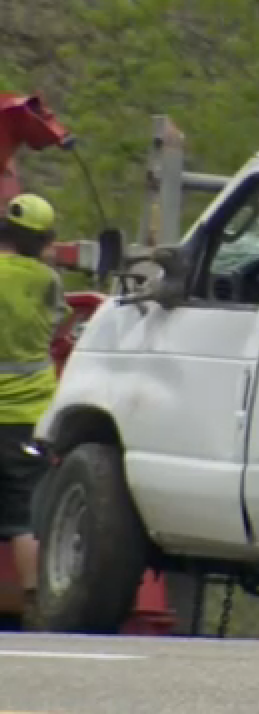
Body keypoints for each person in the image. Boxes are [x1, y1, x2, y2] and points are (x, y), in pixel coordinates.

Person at [0, 193, 67, 629]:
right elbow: (60, 322)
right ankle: (35, 605)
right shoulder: (48, 282)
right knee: (25, 516)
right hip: (30, 413)